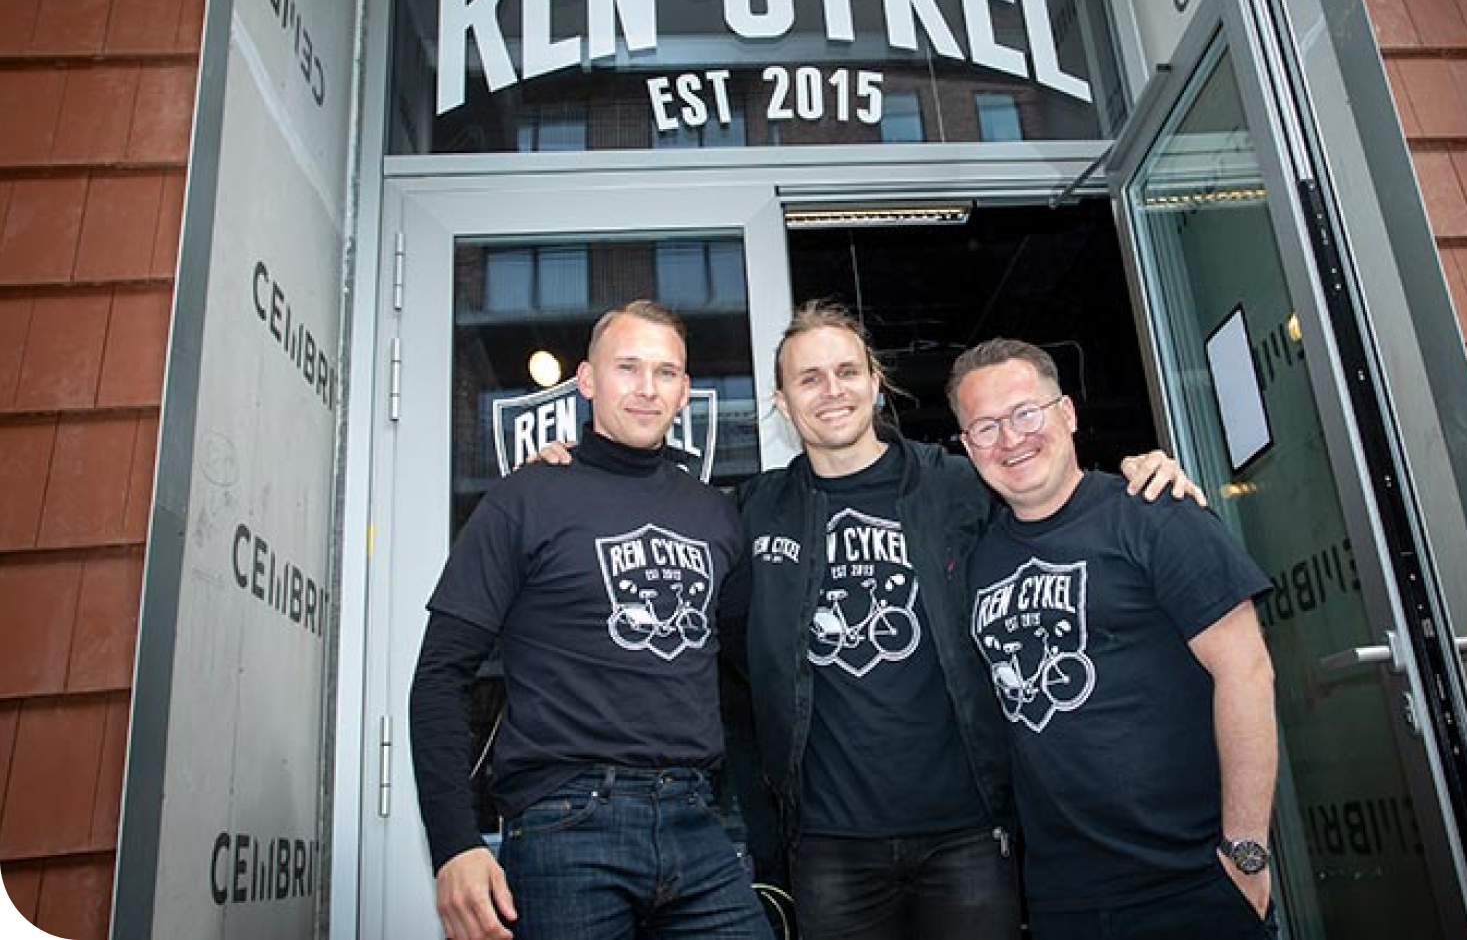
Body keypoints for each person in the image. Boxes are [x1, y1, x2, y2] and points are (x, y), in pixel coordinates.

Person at [734, 302, 1207, 940]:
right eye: (809, 378)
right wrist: (563, 469)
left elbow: (1055, 498)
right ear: (784, 404)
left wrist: (1141, 471)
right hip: (829, 843)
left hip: (967, 831)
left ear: (876, 384)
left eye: (847, 371)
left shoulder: (958, 484)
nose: (832, 390)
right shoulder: (756, 509)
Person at [408, 300, 773, 940]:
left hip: (696, 822)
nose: (646, 388)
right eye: (627, 367)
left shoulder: (715, 514)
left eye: (666, 372)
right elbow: (441, 673)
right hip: (566, 825)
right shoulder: (527, 496)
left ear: (686, 391)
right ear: (586, 380)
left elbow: (747, 677)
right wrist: (454, 844)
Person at [946, 337, 1278, 940]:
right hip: (1063, 897)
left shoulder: (1152, 511)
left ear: (1067, 414)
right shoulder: (976, 561)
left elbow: (1248, 671)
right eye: (985, 427)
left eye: (1026, 413)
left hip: (1192, 880)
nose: (1010, 439)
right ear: (968, 448)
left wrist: (1246, 849)